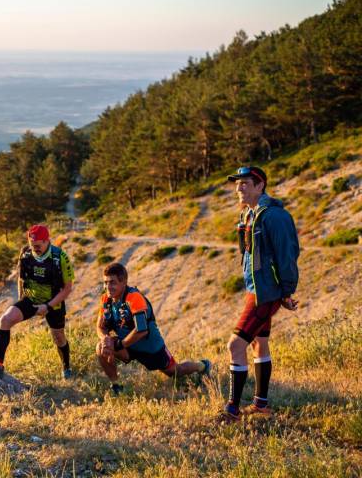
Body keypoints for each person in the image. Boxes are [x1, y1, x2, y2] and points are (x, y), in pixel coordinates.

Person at [221, 166, 299, 422]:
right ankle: (261, 405)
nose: (239, 188)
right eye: (237, 184)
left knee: (236, 345)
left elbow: (287, 257)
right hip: (256, 289)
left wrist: (286, 292)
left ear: (260, 186)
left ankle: (231, 410)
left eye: (245, 183)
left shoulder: (274, 216)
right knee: (259, 343)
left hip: (266, 293)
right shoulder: (248, 214)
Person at [96, 262, 210, 395]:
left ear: (124, 282)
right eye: (105, 282)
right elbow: (100, 326)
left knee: (175, 371)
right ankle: (117, 387)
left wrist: (120, 344)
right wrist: (106, 340)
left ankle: (202, 366)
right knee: (100, 347)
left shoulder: (134, 298)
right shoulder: (105, 299)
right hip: (128, 347)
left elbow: (141, 330)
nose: (108, 287)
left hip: (150, 347)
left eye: (112, 282)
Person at [0, 224, 75, 379]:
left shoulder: (60, 257)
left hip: (53, 302)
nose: (34, 248)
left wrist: (47, 306)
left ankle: (66, 368)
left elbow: (67, 288)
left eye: (38, 245)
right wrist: (21, 301)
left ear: (46, 241)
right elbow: (21, 278)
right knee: (5, 320)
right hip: (30, 298)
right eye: (32, 245)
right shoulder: (25, 254)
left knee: (59, 337)